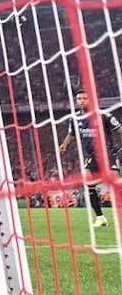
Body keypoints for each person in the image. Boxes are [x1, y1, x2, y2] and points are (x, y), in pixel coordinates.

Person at [58, 88, 122, 227]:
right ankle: (100, 218)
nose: (81, 101)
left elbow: (119, 130)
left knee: (116, 184)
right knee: (88, 182)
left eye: (84, 98)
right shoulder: (75, 118)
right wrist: (64, 145)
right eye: (79, 99)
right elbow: (72, 134)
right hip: (91, 157)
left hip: (107, 155)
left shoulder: (103, 115)